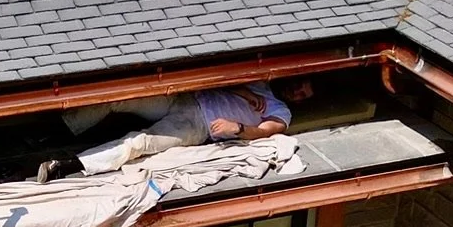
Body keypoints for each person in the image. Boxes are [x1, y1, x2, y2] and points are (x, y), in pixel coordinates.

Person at [37, 81, 292, 181]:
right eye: (300, 86)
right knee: (121, 97)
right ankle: (54, 132)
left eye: (303, 94)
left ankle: (69, 165)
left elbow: (265, 132)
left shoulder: (281, 110)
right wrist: (244, 92)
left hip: (197, 125)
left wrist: (237, 128)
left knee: (138, 143)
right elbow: (225, 79)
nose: (297, 92)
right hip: (187, 96)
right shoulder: (263, 82)